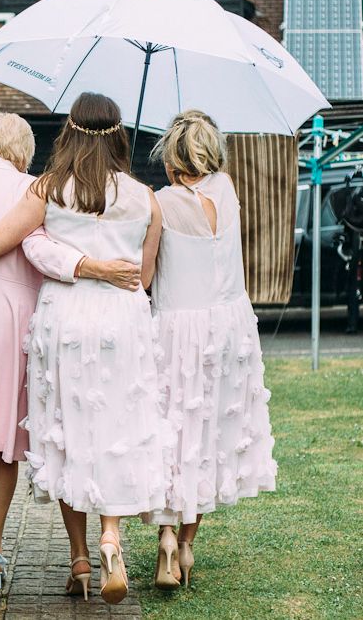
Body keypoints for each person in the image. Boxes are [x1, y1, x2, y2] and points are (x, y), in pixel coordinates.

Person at [0, 93, 170, 604]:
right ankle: (111, 537)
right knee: (116, 429)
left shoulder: (48, 188)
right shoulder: (147, 199)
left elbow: (25, 246)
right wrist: (108, 266)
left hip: (66, 319)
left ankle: (79, 558)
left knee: (67, 432)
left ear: (70, 132)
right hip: (123, 321)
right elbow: (144, 278)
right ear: (119, 135)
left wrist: (81, 265)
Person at [145, 110, 277, 589]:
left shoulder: (158, 202)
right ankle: (187, 542)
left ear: (173, 159)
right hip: (228, 329)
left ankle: (163, 533)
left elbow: (146, 275)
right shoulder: (227, 190)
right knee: (206, 436)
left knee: (168, 431)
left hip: (176, 329)